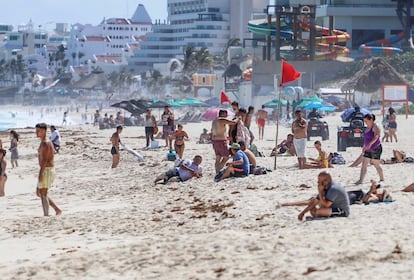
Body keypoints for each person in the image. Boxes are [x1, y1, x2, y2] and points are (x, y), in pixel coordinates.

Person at [35, 123, 62, 216]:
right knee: (39, 192)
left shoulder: (45, 143)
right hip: (47, 169)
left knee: (43, 193)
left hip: (46, 169)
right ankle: (57, 209)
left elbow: (45, 160)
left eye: (40, 131)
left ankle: (46, 214)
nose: (37, 132)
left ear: (45, 131)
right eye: (37, 130)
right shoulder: (47, 141)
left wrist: (40, 174)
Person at [355, 114, 384, 185]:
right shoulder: (367, 127)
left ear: (371, 120)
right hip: (368, 149)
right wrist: (364, 146)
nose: (365, 122)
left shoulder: (375, 126)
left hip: (376, 148)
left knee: (376, 165)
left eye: (366, 121)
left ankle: (382, 178)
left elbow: (376, 136)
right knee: (364, 164)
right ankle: (361, 180)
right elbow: (366, 139)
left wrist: (370, 144)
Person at [211, 110, 236, 174]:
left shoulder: (214, 121)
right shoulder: (222, 120)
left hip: (214, 140)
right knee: (226, 157)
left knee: (218, 157)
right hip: (221, 141)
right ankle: (219, 170)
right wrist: (238, 118)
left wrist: (226, 137)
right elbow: (233, 122)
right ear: (223, 114)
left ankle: (217, 172)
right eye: (226, 115)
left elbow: (215, 131)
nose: (227, 116)